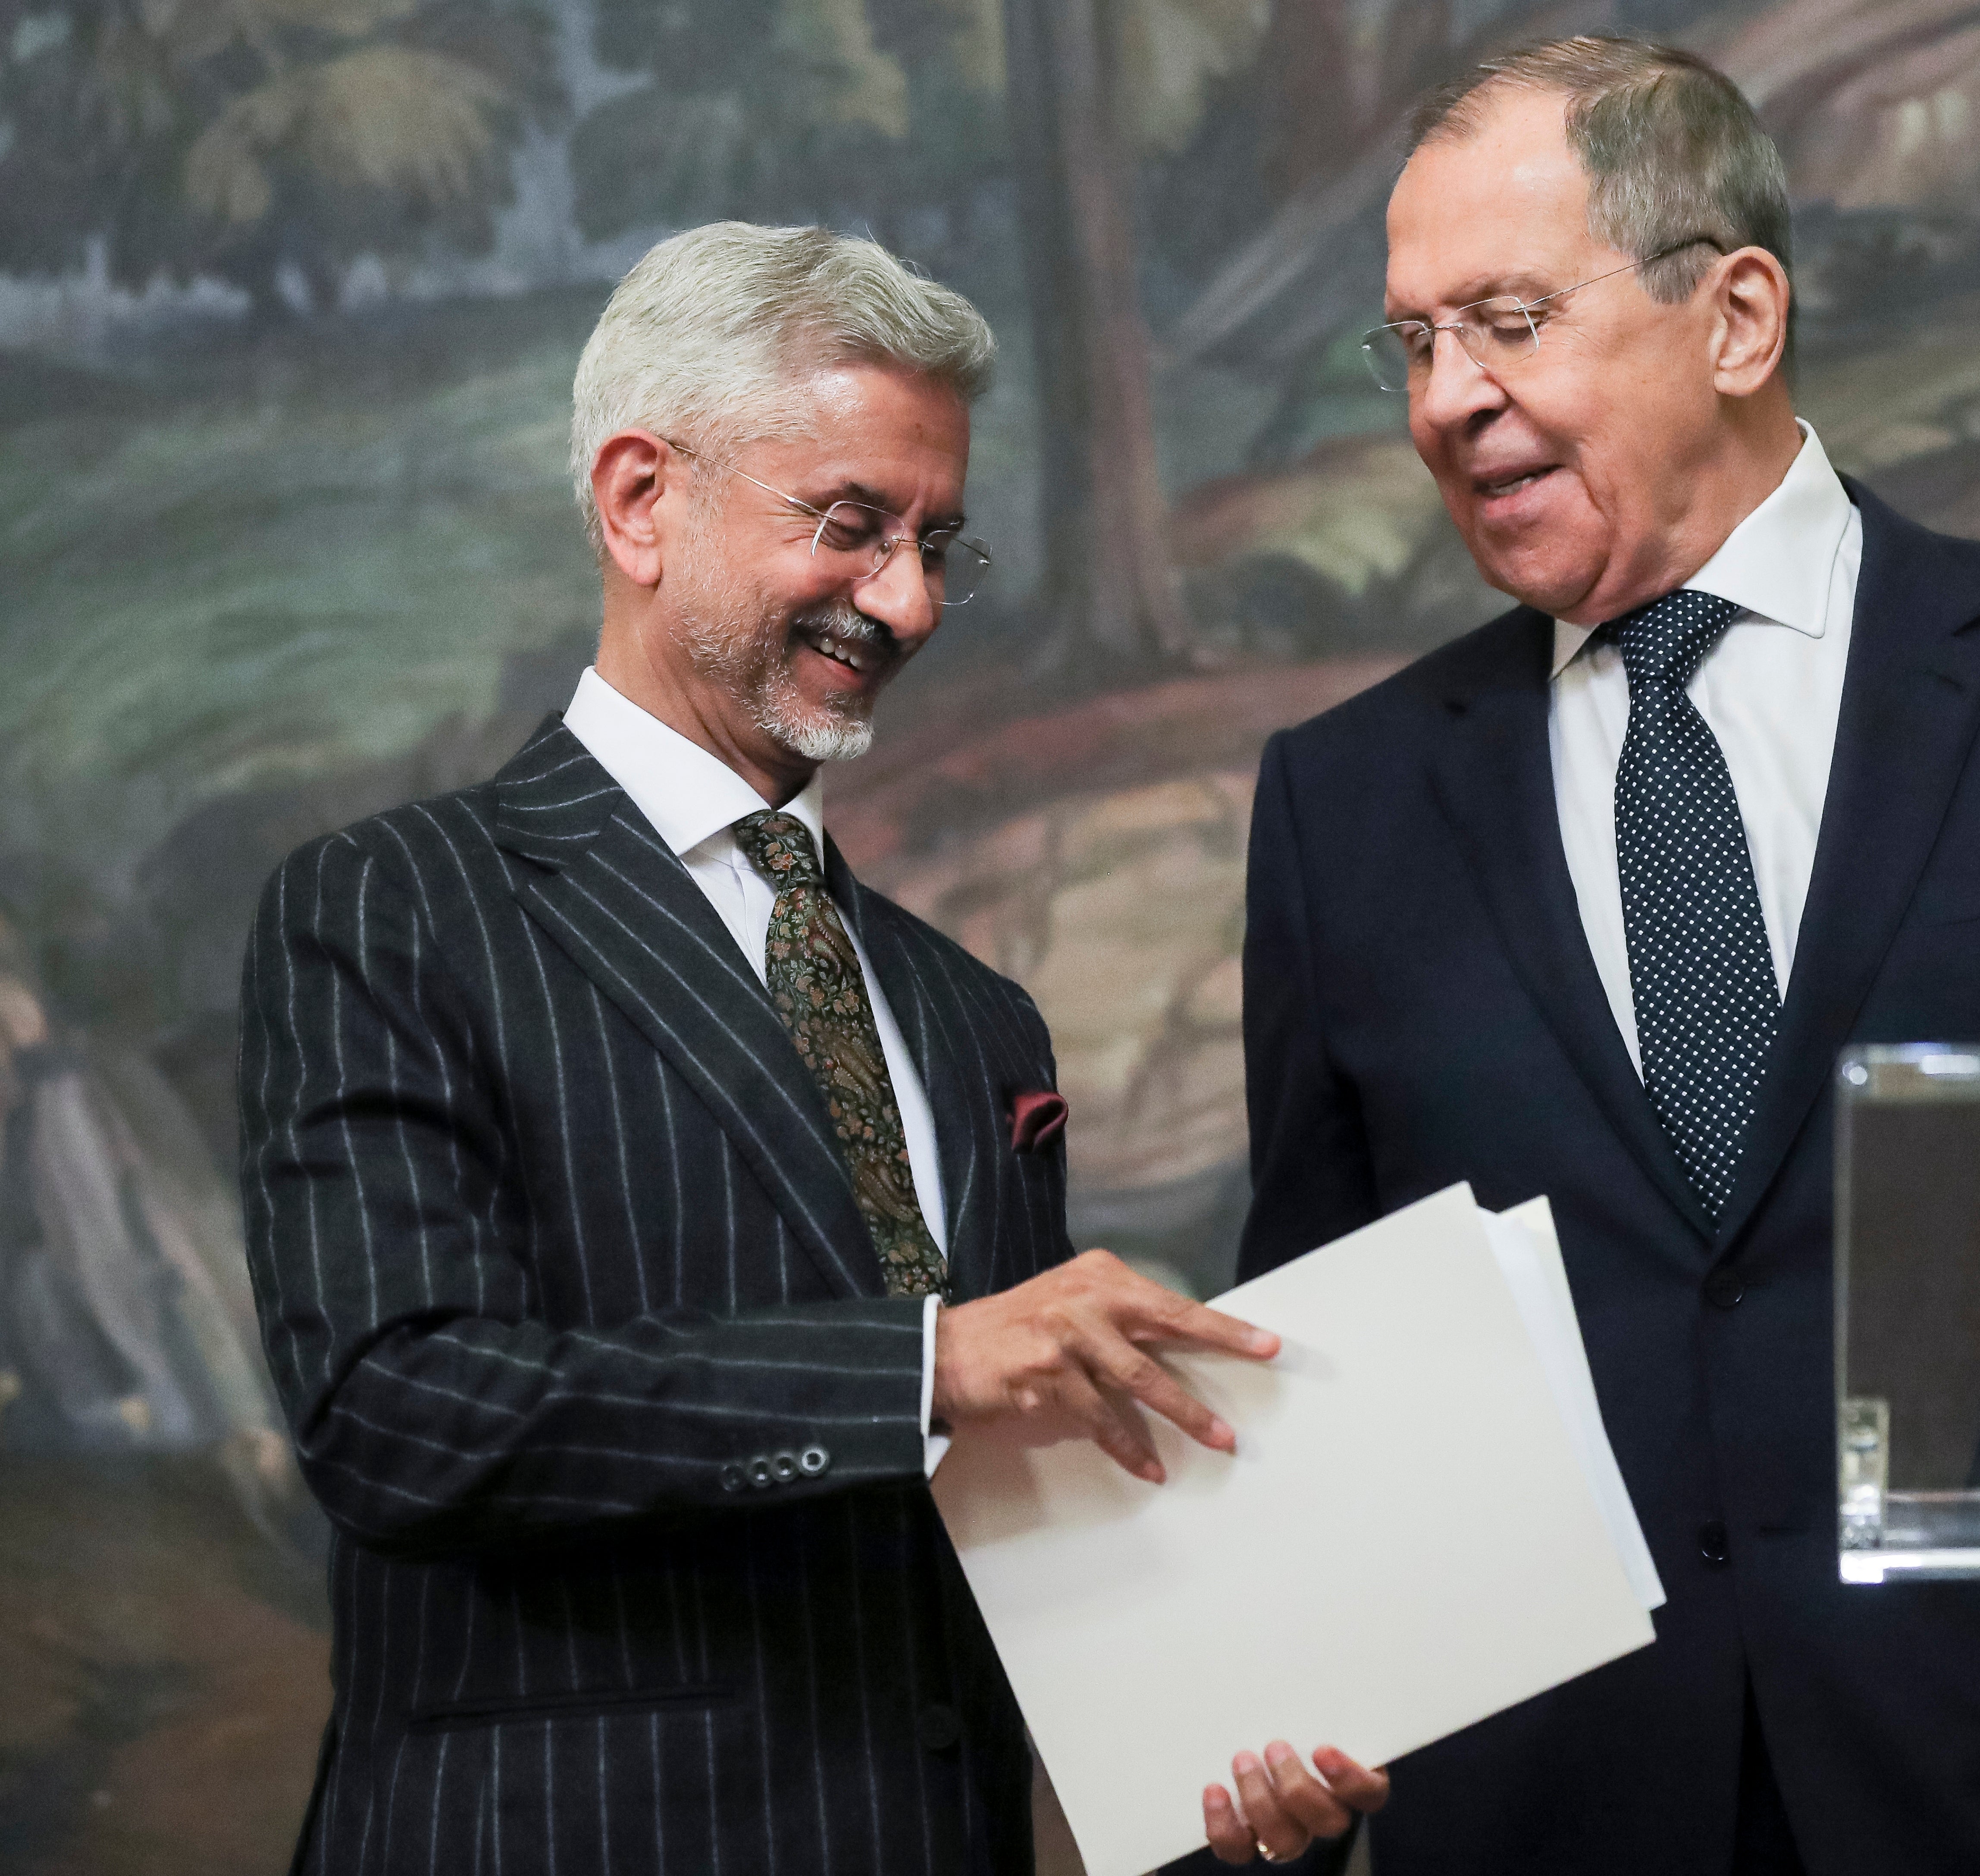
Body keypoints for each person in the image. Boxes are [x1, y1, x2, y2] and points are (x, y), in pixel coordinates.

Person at [1223, 38, 1980, 1876]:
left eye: (1504, 320)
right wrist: (1256, 1711)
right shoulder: (1345, 805)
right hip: (1557, 1823)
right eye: (1411, 344)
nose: (1447, 400)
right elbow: (1315, 1367)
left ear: (1736, 315)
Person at [237, 222, 1369, 1876]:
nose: (904, 601)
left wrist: (1233, 1800)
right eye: (850, 526)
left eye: (937, 544)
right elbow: (398, 1411)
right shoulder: (394, 905)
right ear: (640, 501)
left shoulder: (978, 1018)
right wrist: (923, 1366)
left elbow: (1026, 1559)